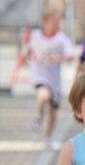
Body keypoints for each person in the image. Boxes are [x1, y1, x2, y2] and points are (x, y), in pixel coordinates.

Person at [13, 9, 75, 139]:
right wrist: (17, 70)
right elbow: (25, 52)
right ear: (45, 22)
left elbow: (71, 55)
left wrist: (59, 58)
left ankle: (47, 137)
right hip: (39, 76)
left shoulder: (61, 39)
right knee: (43, 95)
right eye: (53, 22)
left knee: (53, 112)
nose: (56, 25)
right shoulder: (35, 36)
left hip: (54, 81)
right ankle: (38, 119)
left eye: (58, 22)